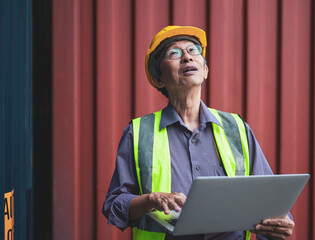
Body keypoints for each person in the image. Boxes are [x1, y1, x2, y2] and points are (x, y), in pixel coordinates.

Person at [103, 25, 295, 240]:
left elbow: (267, 199)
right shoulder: (139, 133)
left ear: (205, 70)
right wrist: (151, 199)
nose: (187, 57)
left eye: (194, 50)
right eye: (173, 53)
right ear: (158, 80)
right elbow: (114, 205)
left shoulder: (236, 128)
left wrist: (279, 225)